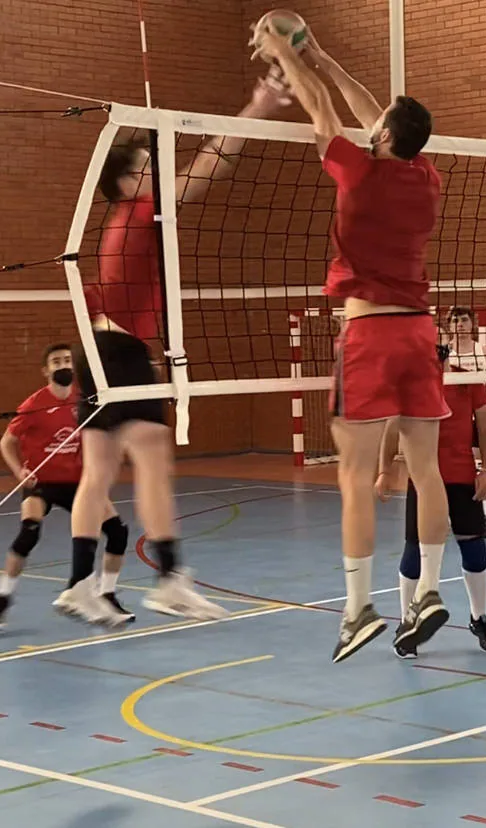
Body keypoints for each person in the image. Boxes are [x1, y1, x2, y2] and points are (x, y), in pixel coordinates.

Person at [254, 24, 451, 662]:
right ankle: (426, 592)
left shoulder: (359, 175)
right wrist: (324, 58)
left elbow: (323, 110)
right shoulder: (426, 181)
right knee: (426, 470)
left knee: (353, 476)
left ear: (386, 138)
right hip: (421, 332)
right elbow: (369, 111)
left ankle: (357, 608)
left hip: (368, 333)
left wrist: (283, 52)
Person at [69, 79, 290, 622]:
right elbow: (207, 169)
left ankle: (81, 584)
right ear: (126, 181)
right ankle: (167, 579)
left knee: (100, 469)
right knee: (150, 458)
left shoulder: (125, 220)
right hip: (118, 351)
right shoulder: (141, 211)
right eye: (147, 165)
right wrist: (256, 105)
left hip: (96, 346)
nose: (156, 172)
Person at [0, 344, 133, 629]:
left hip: (78, 484)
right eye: (56, 362)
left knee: (118, 532)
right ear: (45, 370)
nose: (62, 365)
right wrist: (19, 471)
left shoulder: (85, 399)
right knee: (29, 533)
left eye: (67, 361)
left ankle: (106, 594)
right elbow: (7, 442)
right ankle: (1, 599)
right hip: (42, 483)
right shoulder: (34, 404)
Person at [377, 344, 486, 658]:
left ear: (444, 359)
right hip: (422, 481)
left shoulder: (467, 381)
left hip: (462, 479)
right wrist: (384, 472)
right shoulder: (408, 391)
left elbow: (485, 428)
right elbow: (391, 431)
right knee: (413, 553)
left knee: (474, 550)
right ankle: (408, 622)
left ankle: (479, 618)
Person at [444, 307, 486, 538]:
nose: (459, 324)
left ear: (472, 324)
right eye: (455, 320)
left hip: (479, 417)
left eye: (464, 320)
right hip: (451, 420)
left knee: (480, 467)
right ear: (449, 326)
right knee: (452, 467)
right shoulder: (444, 352)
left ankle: (482, 517)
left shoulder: (483, 352)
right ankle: (448, 513)